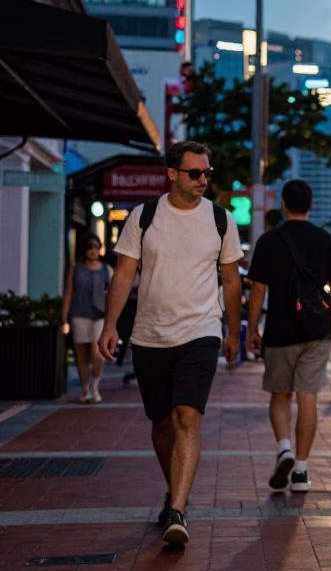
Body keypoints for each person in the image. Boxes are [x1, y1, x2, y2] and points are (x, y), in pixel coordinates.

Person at [97, 142, 244, 546]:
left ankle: (177, 509)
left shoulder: (220, 219)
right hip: (149, 335)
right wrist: (111, 325)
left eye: (207, 173)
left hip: (200, 332)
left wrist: (233, 331)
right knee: (161, 423)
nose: (203, 180)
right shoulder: (144, 217)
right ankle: (173, 491)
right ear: (173, 174)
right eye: (195, 173)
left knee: (186, 418)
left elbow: (231, 280)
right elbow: (124, 274)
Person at [245, 179, 331, 494]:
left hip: (279, 330)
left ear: (283, 205)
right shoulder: (327, 241)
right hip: (317, 331)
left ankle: (284, 448)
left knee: (280, 395)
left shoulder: (268, 241)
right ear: (311, 204)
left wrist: (252, 329)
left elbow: (258, 290)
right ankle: (301, 470)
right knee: (308, 397)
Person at [62, 234, 111, 404]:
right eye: (90, 247)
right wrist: (64, 318)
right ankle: (85, 389)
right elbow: (69, 293)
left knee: (97, 351)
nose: (93, 250)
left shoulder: (106, 269)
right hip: (79, 313)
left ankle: (95, 385)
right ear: (84, 250)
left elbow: (113, 294)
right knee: (81, 354)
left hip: (100, 315)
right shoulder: (76, 269)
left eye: (96, 247)